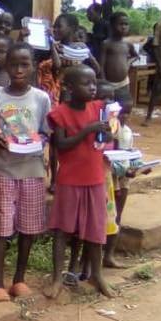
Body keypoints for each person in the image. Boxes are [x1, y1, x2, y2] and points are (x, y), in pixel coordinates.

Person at [0, 43, 51, 301]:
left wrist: (40, 140)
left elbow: (46, 131)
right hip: (3, 167)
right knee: (1, 226)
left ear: (33, 66)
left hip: (32, 168)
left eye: (24, 65)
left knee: (29, 225)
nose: (19, 70)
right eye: (14, 65)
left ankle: (19, 279)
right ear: (6, 66)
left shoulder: (41, 98)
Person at [45, 66, 113, 300]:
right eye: (86, 83)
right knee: (62, 230)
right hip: (70, 179)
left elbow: (107, 137)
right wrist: (87, 130)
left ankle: (97, 275)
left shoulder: (99, 108)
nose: (92, 88)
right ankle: (57, 278)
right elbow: (61, 145)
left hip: (95, 178)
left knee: (96, 229)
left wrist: (108, 133)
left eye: (94, 83)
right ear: (69, 88)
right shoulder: (60, 113)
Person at [101, 11, 137, 111]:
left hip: (123, 83)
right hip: (108, 83)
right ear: (112, 26)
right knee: (109, 110)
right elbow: (101, 66)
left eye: (126, 24)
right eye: (121, 24)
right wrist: (104, 83)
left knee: (124, 108)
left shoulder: (128, 44)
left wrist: (128, 63)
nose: (124, 27)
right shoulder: (106, 44)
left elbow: (135, 56)